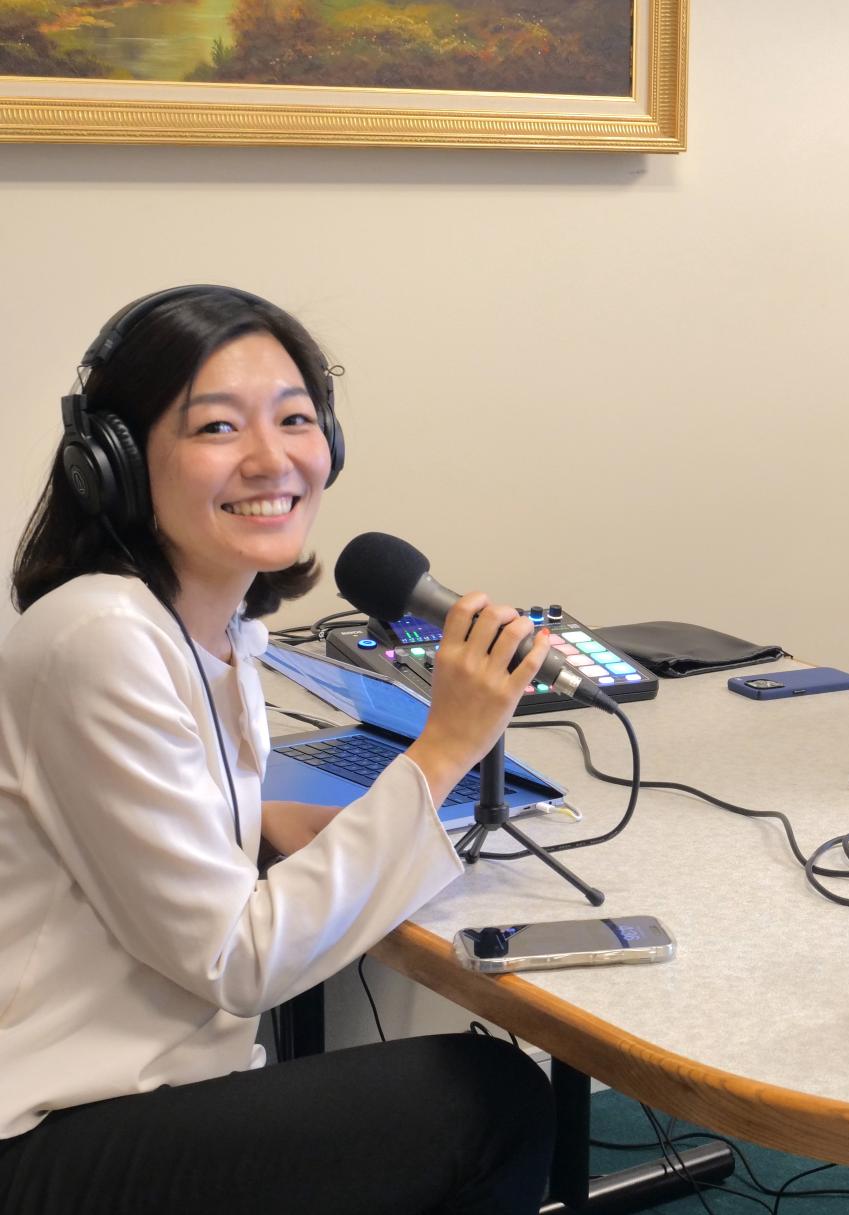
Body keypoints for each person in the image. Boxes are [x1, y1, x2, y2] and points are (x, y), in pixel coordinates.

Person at [0, 286, 556, 1213]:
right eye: (217, 427)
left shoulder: (207, 627)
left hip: (122, 1095)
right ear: (120, 463)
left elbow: (103, 821)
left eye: (296, 419)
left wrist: (257, 822)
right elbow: (239, 960)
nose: (273, 458)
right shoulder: (98, 636)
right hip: (41, 1134)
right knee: (484, 1102)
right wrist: (447, 744)